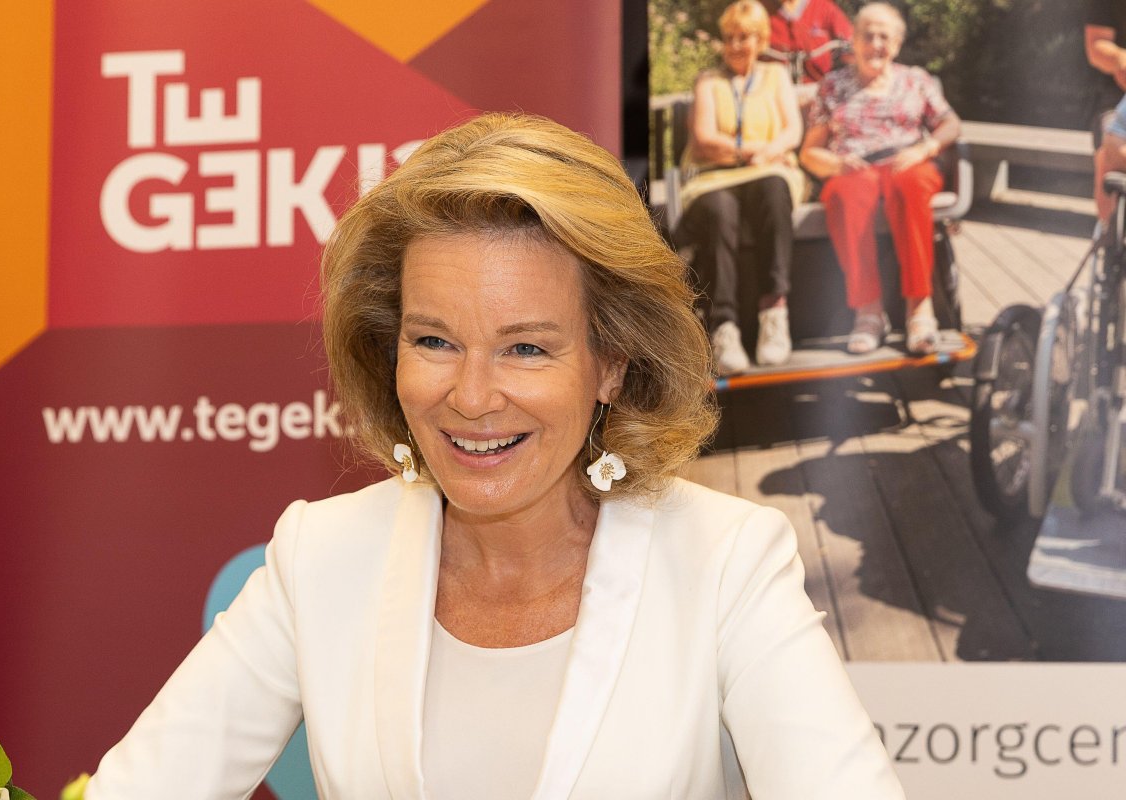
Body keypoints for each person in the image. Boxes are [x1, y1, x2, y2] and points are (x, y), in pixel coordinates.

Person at [84, 113, 905, 799]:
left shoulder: (726, 561)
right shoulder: (320, 555)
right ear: (390, 347)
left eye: (526, 349)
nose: (471, 396)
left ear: (611, 364)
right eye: (435, 340)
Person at [800, 2, 960, 355]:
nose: (875, 44)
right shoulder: (834, 85)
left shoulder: (915, 80)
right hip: (855, 166)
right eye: (867, 35)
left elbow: (951, 123)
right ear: (853, 41)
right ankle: (868, 311)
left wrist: (925, 148)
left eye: (884, 37)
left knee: (912, 185)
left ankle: (920, 310)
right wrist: (837, 164)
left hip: (907, 159)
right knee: (844, 196)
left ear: (897, 44)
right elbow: (809, 152)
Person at [673, 0, 803, 374]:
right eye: (729, 37)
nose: (734, 45)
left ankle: (774, 313)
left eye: (743, 37)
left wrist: (772, 151)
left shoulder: (776, 76)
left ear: (760, 40)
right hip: (714, 177)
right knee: (719, 209)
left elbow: (792, 131)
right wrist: (754, 153)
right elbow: (704, 141)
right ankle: (723, 326)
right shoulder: (708, 82)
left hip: (766, 173)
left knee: (775, 189)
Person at [761, 0, 853, 106]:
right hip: (774, 98)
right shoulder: (761, 10)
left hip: (818, 96)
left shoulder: (823, 7)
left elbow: (852, 44)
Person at [1086, 0, 1126, 220]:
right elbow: (1096, 45)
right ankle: (1110, 241)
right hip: (1117, 96)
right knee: (1108, 154)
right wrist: (1121, 60)